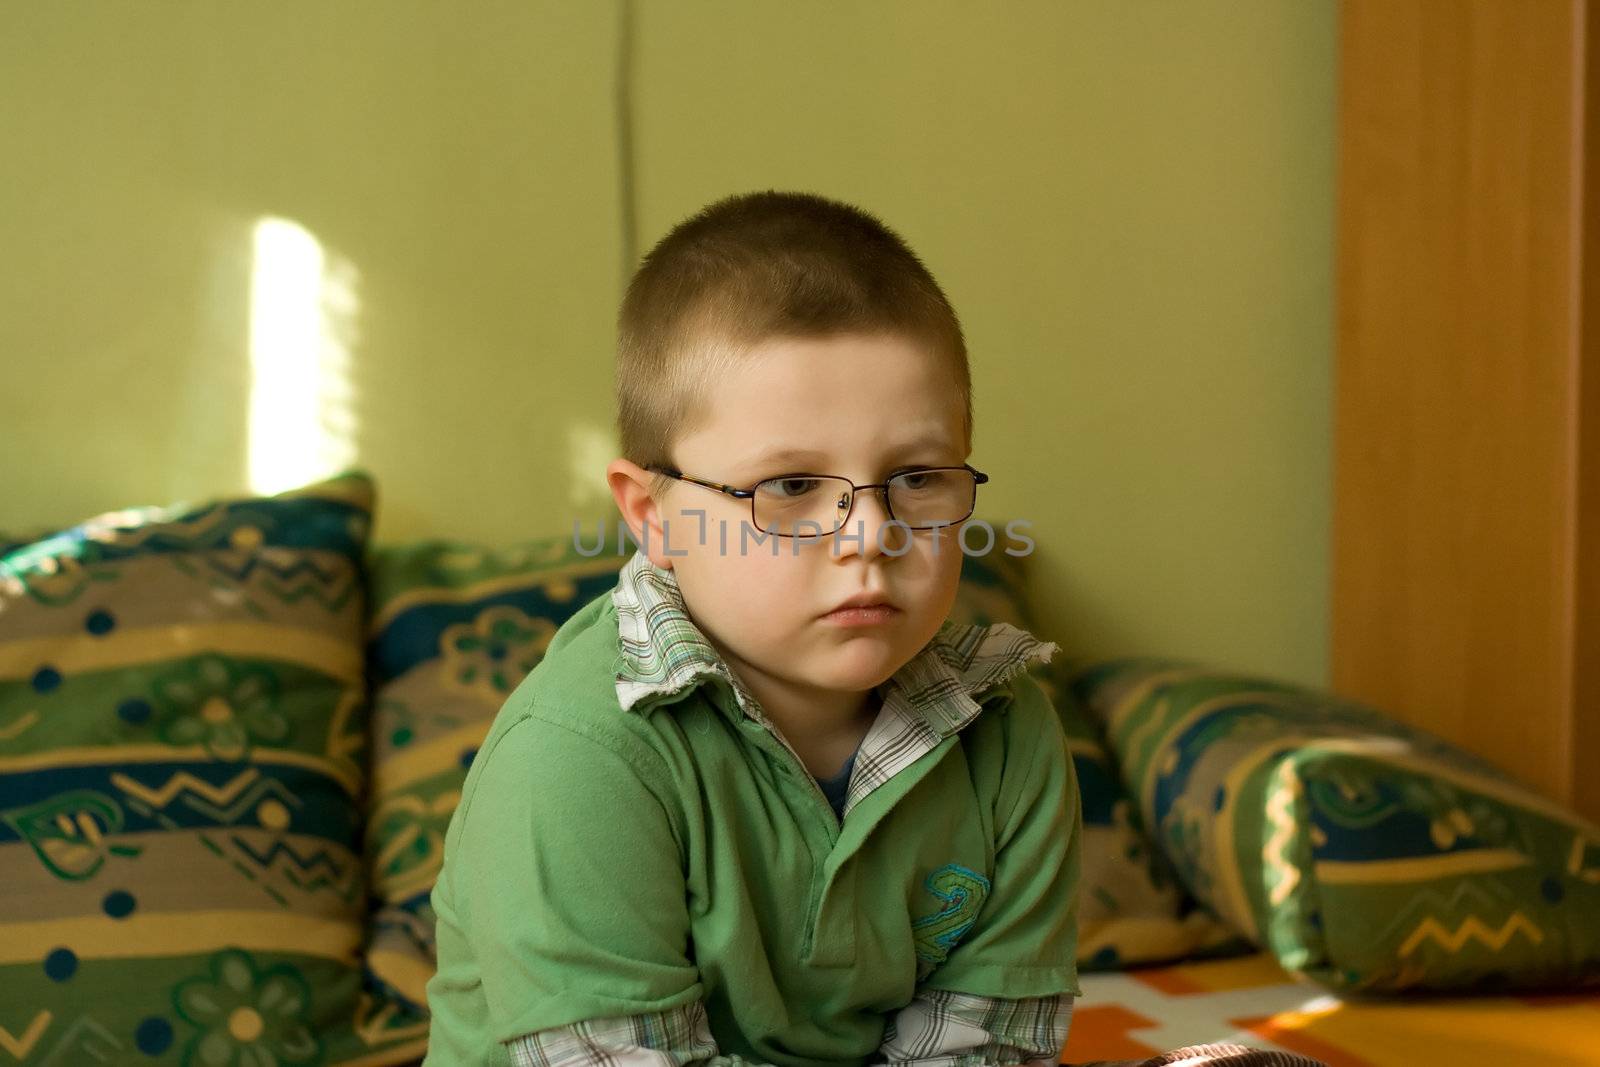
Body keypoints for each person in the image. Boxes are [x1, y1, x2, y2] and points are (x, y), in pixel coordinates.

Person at [422, 189, 1083, 1066]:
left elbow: (987, 1050)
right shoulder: (579, 758)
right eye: (790, 486)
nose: (871, 535)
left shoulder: (1007, 734)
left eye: (919, 476)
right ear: (654, 514)